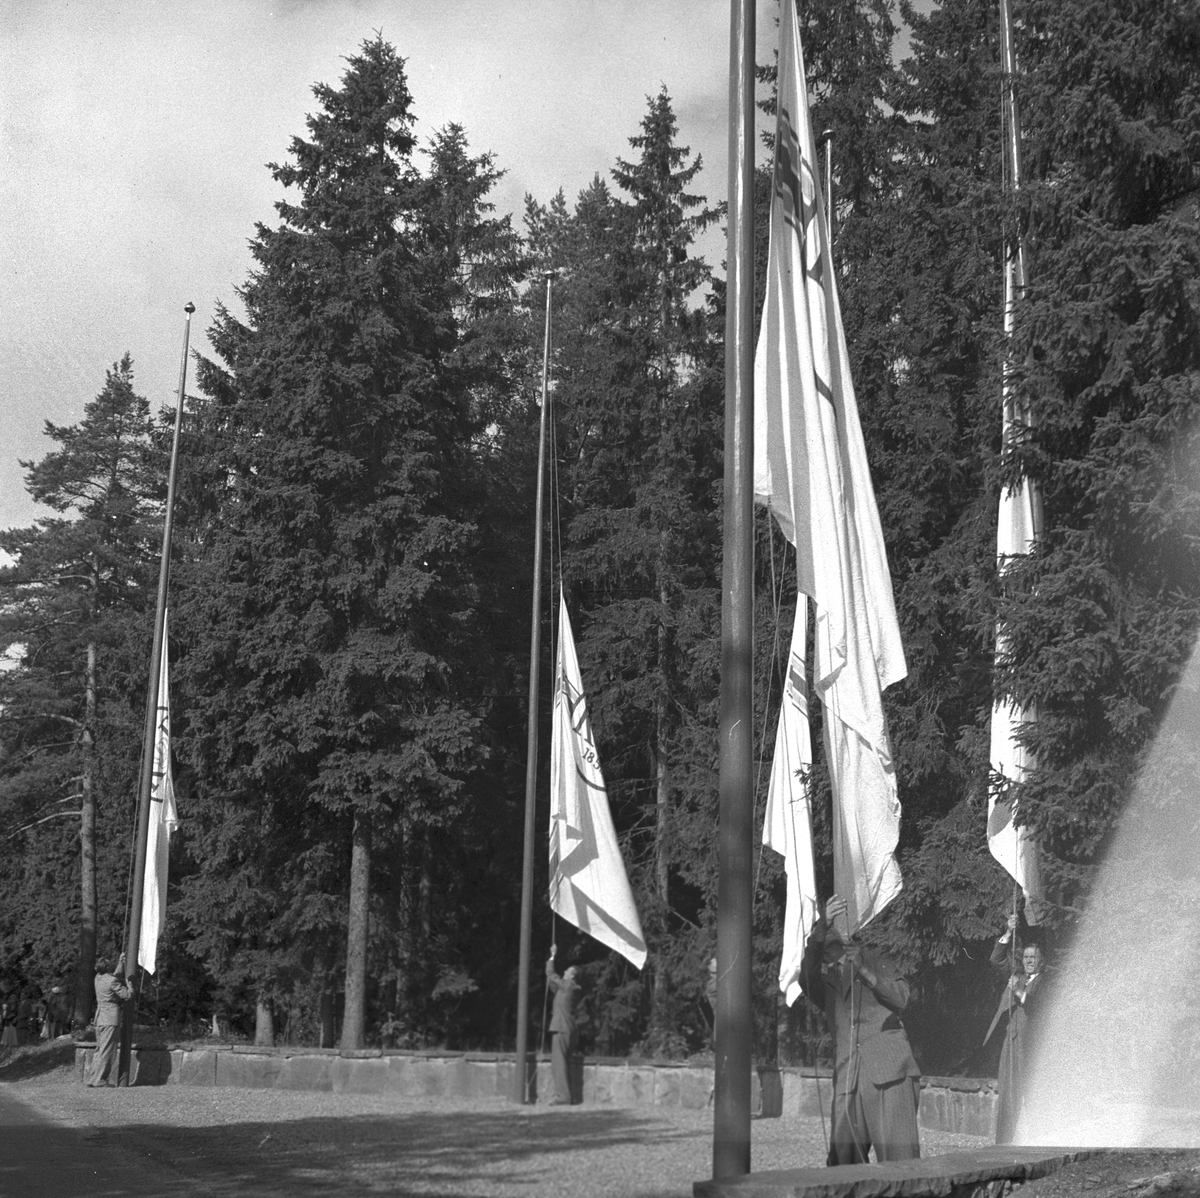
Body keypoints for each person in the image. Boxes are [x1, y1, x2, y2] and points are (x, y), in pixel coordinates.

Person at [796, 895, 921, 1164]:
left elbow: (902, 998)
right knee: (843, 1167)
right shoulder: (823, 981)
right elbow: (805, 975)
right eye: (825, 925)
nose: (830, 928)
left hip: (889, 1071)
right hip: (848, 1077)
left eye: (834, 924)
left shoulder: (874, 957)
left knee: (901, 1164)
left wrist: (863, 969)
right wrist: (821, 926)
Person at [985, 914, 1046, 1144]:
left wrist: (1018, 992)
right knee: (1007, 1094)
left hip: (1029, 1045)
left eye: (1033, 957)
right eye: (1026, 957)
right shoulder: (1017, 975)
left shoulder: (1045, 981)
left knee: (1030, 1092)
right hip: (1009, 1042)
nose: (1029, 961)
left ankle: (1035, 1141)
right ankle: (1004, 1143)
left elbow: (1036, 1003)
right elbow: (996, 959)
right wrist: (1009, 932)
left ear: (1041, 960)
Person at [87, 954, 131, 1087]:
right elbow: (126, 995)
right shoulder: (111, 981)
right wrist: (130, 987)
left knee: (100, 1049)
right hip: (110, 1018)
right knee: (107, 1051)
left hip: (100, 1018)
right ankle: (100, 1080)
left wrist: (120, 963)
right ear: (107, 968)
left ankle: (93, 1078)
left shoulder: (98, 978)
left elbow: (114, 977)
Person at [545, 948, 581, 1105]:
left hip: (561, 1028)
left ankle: (562, 1097)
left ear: (572, 975)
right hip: (569, 1029)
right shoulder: (569, 988)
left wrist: (552, 956)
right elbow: (553, 985)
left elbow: (551, 974)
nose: (565, 971)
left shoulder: (567, 985)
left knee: (559, 1064)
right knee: (565, 1063)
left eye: (568, 970)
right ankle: (568, 1096)